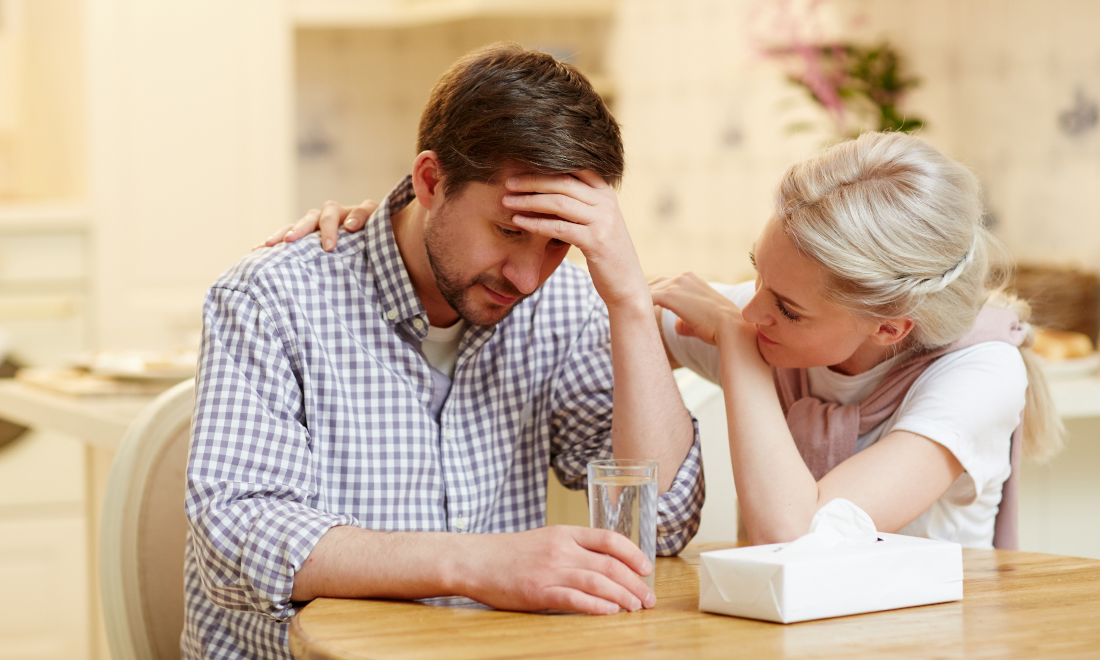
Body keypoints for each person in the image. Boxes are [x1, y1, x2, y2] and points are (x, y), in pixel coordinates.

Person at [282, 132, 1064, 551]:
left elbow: (800, 536)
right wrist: (399, 229)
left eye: (785, 309)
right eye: (755, 279)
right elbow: (606, 313)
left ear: (890, 327)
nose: (755, 310)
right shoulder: (767, 319)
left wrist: (737, 349)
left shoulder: (980, 375)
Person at [185, 43, 704, 659]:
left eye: (557, 244)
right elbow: (236, 532)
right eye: (509, 231)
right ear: (431, 181)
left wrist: (628, 301)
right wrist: (478, 563)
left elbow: (661, 521)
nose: (528, 277)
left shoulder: (560, 303)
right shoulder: (271, 296)